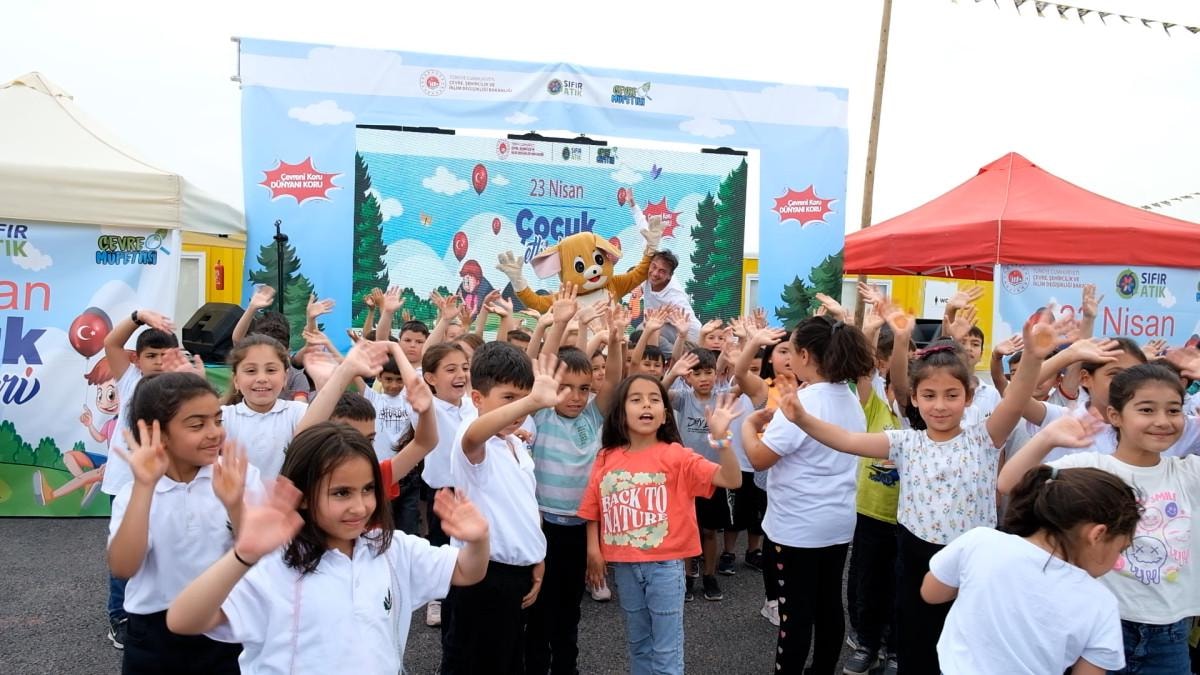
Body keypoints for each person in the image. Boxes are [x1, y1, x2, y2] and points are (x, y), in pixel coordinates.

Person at [761, 311, 1056, 674]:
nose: (940, 405)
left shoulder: (984, 437)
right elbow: (848, 440)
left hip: (972, 563)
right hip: (914, 557)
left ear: (968, 397)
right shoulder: (905, 442)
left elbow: (1015, 399)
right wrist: (802, 418)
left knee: (967, 648)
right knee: (915, 646)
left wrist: (1034, 356)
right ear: (914, 399)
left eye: (951, 395)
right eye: (929, 395)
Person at [165, 423, 490, 672]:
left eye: (368, 489)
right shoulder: (276, 563)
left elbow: (467, 571)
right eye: (341, 493)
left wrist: (478, 540)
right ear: (304, 495)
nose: (360, 506)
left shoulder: (390, 549)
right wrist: (243, 556)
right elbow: (182, 620)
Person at [1000, 363, 1200, 673]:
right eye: (1146, 410)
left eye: (1173, 410)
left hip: (1169, 634)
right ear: (1115, 416)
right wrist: (1048, 438)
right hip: (1097, 624)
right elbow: (1009, 482)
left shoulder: (1189, 473)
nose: (1162, 421)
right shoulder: (1093, 466)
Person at [739, 315, 874, 674]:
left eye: (791, 350)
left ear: (805, 355)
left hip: (797, 527)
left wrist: (748, 427)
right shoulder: (849, 398)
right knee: (829, 605)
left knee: (795, 613)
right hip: (838, 523)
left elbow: (759, 459)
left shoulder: (800, 404)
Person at [579, 375, 742, 675]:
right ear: (620, 413)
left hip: (665, 567)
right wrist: (593, 549)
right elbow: (594, 506)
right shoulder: (606, 457)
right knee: (639, 644)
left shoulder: (677, 456)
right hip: (624, 566)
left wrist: (721, 440)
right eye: (636, 399)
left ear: (665, 414)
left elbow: (732, 479)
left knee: (667, 650)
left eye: (654, 399)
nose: (646, 405)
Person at [107, 373, 264, 673]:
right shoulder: (135, 493)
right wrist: (144, 487)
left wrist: (235, 505)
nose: (214, 433)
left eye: (217, 420)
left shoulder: (237, 475)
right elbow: (124, 567)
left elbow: (259, 556)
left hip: (227, 623)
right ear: (157, 433)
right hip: (154, 634)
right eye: (197, 425)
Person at [924, 457, 1139, 674]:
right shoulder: (1101, 603)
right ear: (1097, 534)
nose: (1117, 561)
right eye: (1121, 549)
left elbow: (931, 593)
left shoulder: (981, 542)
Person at [441, 344, 558, 674]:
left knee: (508, 660)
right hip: (484, 575)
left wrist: (537, 558)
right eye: (509, 398)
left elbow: (524, 507)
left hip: (517, 574)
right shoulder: (473, 441)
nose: (518, 409)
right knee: (472, 662)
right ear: (477, 399)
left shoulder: (515, 443)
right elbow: (474, 436)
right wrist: (533, 401)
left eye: (523, 398)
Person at [525, 313, 626, 675]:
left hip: (578, 530)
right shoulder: (540, 416)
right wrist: (556, 326)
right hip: (542, 529)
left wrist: (614, 339)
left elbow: (613, 379)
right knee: (537, 611)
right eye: (566, 387)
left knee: (569, 611)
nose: (576, 397)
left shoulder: (593, 417)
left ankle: (567, 668)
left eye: (584, 389)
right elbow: (540, 363)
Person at [98, 306, 177, 649]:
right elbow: (110, 343)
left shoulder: (180, 388)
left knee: (160, 546)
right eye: (151, 356)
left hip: (166, 482)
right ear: (137, 359)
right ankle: (119, 615)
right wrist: (138, 316)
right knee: (125, 549)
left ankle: (160, 608)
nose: (158, 362)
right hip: (125, 483)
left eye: (165, 355)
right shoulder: (129, 381)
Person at [662, 347, 752, 601]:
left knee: (710, 531)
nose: (703, 378)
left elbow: (746, 386)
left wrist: (741, 356)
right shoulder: (682, 398)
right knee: (687, 529)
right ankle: (688, 576)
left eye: (708, 372)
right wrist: (673, 373)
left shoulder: (723, 397)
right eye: (697, 373)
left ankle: (709, 576)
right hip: (687, 476)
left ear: (716, 372)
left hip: (714, 476)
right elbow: (658, 392)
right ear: (688, 377)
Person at [219, 335, 309, 479]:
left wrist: (322, 380)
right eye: (251, 371)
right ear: (236, 380)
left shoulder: (297, 412)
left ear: (285, 377)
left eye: (271, 370)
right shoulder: (224, 417)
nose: (262, 379)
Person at [639, 250, 700, 358]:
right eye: (654, 266)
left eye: (662, 271)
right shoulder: (645, 277)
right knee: (642, 331)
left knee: (646, 330)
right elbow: (648, 248)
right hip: (665, 327)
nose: (655, 273)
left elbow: (689, 329)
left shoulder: (675, 298)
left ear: (669, 276)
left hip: (690, 339)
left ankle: (671, 359)